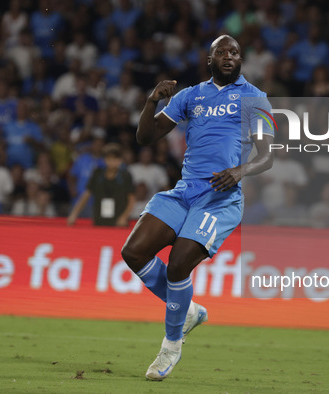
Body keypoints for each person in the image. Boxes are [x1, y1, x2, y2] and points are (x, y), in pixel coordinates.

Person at [120, 35, 273, 381]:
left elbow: (266, 156)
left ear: (241, 60)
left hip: (221, 197)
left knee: (178, 264)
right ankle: (187, 310)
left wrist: (240, 170)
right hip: (185, 190)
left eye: (234, 52)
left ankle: (170, 345)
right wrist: (151, 101)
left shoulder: (255, 98)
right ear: (210, 60)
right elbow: (146, 137)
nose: (229, 56)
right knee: (134, 252)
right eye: (222, 52)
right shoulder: (191, 95)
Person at [67, 143, 135, 227]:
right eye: (109, 158)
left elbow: (132, 199)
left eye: (115, 159)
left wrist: (124, 217)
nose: (112, 162)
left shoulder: (125, 176)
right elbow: (86, 194)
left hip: (119, 222)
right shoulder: (97, 173)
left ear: (120, 160)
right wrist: (74, 214)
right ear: (104, 159)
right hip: (99, 221)